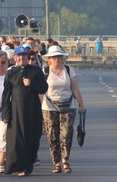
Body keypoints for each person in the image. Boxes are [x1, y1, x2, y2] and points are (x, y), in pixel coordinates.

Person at [1, 46, 48, 176]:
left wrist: (31, 83)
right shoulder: (11, 72)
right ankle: (15, 166)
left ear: (27, 57)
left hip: (32, 112)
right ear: (15, 57)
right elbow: (6, 95)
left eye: (24, 56)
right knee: (15, 140)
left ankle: (27, 166)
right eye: (19, 56)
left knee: (31, 139)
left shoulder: (36, 71)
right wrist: (5, 113)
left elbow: (44, 88)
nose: (22, 58)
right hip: (16, 111)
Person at [41, 45, 85, 174]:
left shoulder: (68, 70)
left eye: (59, 57)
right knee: (52, 135)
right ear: (49, 59)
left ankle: (65, 160)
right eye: (54, 57)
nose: (57, 59)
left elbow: (75, 88)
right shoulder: (45, 71)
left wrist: (81, 104)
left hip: (68, 105)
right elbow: (41, 92)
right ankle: (56, 162)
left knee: (66, 134)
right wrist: (38, 108)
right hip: (49, 107)